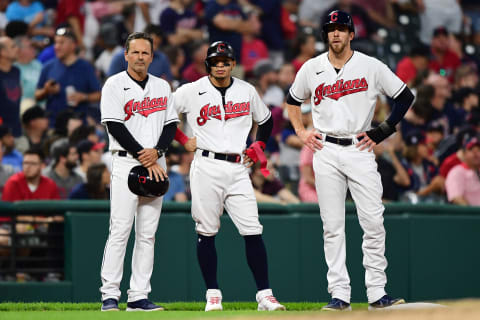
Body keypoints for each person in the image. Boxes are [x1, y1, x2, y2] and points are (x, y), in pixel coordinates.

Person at [285, 10, 414, 310]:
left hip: (359, 147)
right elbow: (292, 101)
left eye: (341, 29)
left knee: (373, 220)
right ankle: (339, 294)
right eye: (331, 29)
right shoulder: (311, 67)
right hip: (325, 149)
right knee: (332, 225)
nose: (336, 34)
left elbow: (404, 97)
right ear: (325, 35)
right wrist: (302, 131)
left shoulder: (370, 66)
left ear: (351, 34)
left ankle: (377, 292)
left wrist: (383, 130)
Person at [173, 41, 285, 312]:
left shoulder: (247, 90)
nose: (221, 65)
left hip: (238, 167)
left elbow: (267, 121)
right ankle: (213, 294)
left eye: (225, 61)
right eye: (216, 61)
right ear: (208, 64)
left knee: (252, 230)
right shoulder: (191, 90)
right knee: (206, 231)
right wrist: (181, 138)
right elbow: (165, 117)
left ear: (233, 64)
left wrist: (258, 145)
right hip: (206, 165)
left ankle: (265, 295)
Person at [99, 32, 179, 312]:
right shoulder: (114, 84)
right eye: (135, 52)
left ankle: (138, 296)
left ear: (152, 56)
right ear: (126, 55)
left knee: (147, 233)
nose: (140, 57)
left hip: (156, 162)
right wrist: (144, 155)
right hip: (126, 161)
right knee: (120, 230)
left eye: (145, 52)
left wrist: (156, 152)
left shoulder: (162, 87)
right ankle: (109, 294)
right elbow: (114, 125)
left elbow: (171, 125)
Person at [35, 27, 101, 127]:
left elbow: (99, 94)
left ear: (73, 45)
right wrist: (46, 90)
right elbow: (37, 95)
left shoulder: (85, 67)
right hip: (54, 125)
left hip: (79, 125)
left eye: (61, 43)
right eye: (56, 43)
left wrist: (84, 97)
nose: (57, 46)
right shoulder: (48, 67)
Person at [445, 136, 480, 206]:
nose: (476, 153)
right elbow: (456, 198)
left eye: (478, 150)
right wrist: (473, 213)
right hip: (470, 215)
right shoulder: (457, 172)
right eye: (471, 150)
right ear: (463, 154)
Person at [0, 36, 22, 137]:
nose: (17, 49)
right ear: (2, 52)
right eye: (13, 47)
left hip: (16, 129)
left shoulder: (16, 71)